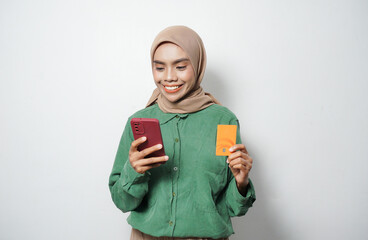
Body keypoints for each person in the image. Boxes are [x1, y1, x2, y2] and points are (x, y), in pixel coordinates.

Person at [109, 25, 256, 240]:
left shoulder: (223, 122)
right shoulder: (138, 122)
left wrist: (241, 184)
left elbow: (232, 208)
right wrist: (134, 171)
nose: (169, 77)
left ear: (197, 65)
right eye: (160, 68)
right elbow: (122, 202)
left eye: (180, 67)